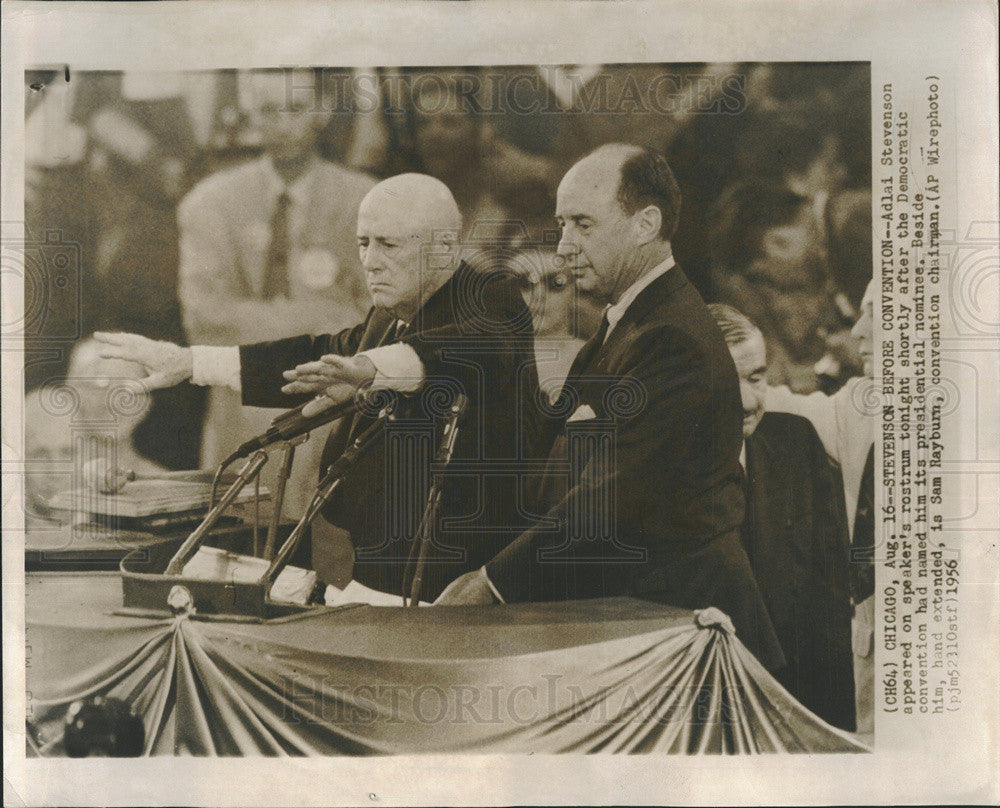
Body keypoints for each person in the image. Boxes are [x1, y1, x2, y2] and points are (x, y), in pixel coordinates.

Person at [96, 173, 544, 603]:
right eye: (363, 244)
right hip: (376, 569)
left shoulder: (492, 297)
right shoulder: (388, 315)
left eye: (388, 244)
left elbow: (467, 348)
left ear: (446, 247)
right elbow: (319, 355)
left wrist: (367, 368)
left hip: (456, 584)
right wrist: (192, 361)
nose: (369, 261)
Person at [437, 144, 784, 672]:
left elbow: (611, 498)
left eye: (582, 224)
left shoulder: (671, 338)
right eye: (561, 224)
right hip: (654, 629)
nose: (566, 244)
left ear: (646, 224)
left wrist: (491, 582)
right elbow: (547, 452)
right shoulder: (631, 317)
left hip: (692, 635)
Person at [177, 68, 376, 517]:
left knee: (322, 534)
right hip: (239, 400)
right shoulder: (210, 201)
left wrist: (257, 321)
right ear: (250, 115)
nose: (282, 124)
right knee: (234, 532)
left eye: (295, 108)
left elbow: (374, 322)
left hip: (331, 405)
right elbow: (205, 319)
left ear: (322, 112)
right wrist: (322, 318)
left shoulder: (363, 200)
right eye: (268, 110)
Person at [709, 304, 855, 730]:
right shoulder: (661, 469)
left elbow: (828, 609)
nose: (748, 400)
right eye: (722, 381)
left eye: (756, 377)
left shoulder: (796, 444)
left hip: (797, 711)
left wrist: (830, 739)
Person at [766, 278, 876, 739]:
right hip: (872, 661)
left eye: (878, 313)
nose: (861, 332)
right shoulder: (861, 405)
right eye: (862, 313)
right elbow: (784, 404)